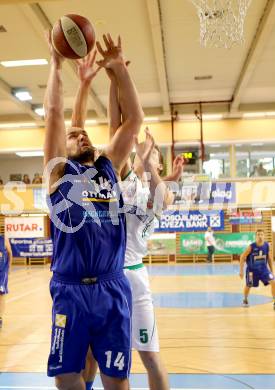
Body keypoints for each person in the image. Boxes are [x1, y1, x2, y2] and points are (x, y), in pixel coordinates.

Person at [72, 56, 184, 390]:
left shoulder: (159, 191)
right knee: (92, 353)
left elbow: (164, 196)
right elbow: (114, 126)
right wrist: (113, 80)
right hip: (105, 277)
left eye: (151, 155)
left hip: (133, 279)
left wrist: (154, 166)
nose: (141, 154)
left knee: (149, 357)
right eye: (140, 154)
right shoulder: (124, 182)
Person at [43, 31, 143, 390]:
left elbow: (133, 121)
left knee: (117, 380)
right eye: (74, 135)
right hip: (69, 290)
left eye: (85, 133)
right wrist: (55, 64)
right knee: (68, 377)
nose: (81, 135)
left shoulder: (107, 168)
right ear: (61, 147)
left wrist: (118, 68)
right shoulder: (58, 173)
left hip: (112, 288)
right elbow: (55, 113)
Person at [239, 229, 275, 308]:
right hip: (252, 271)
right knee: (249, 285)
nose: (260, 236)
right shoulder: (251, 247)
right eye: (258, 234)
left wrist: (272, 271)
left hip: (264, 270)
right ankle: (245, 299)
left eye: (261, 234)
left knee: (273, 281)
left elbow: (269, 258)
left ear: (264, 236)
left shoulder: (267, 245)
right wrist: (241, 271)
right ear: (255, 236)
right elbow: (242, 257)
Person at [0, 235, 12, 328]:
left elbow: (10, 253)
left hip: (2, 271)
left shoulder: (4, 239)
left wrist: (9, 268)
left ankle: (0, 317)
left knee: (1, 294)